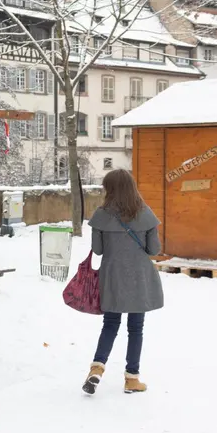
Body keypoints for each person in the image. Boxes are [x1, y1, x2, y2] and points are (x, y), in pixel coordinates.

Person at [83, 168, 163, 395]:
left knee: (110, 325)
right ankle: (132, 379)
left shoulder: (101, 216)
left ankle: (96, 369)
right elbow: (154, 249)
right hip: (139, 277)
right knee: (136, 328)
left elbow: (97, 251)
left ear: (109, 189)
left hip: (112, 276)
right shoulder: (146, 214)